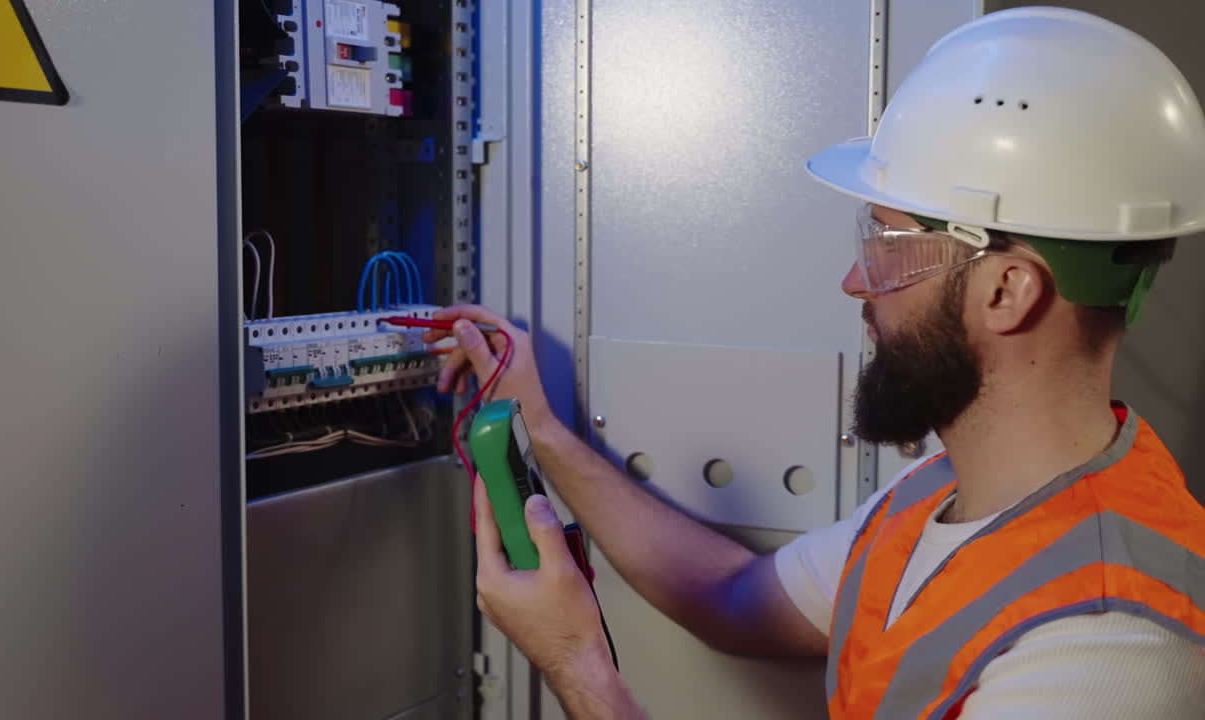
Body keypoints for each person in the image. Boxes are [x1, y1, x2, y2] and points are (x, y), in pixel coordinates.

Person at [424, 8, 1205, 719]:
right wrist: (545, 435)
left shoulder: (1109, 645)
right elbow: (733, 599)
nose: (856, 280)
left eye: (889, 248)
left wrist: (577, 663)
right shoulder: (941, 495)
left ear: (1008, 291)